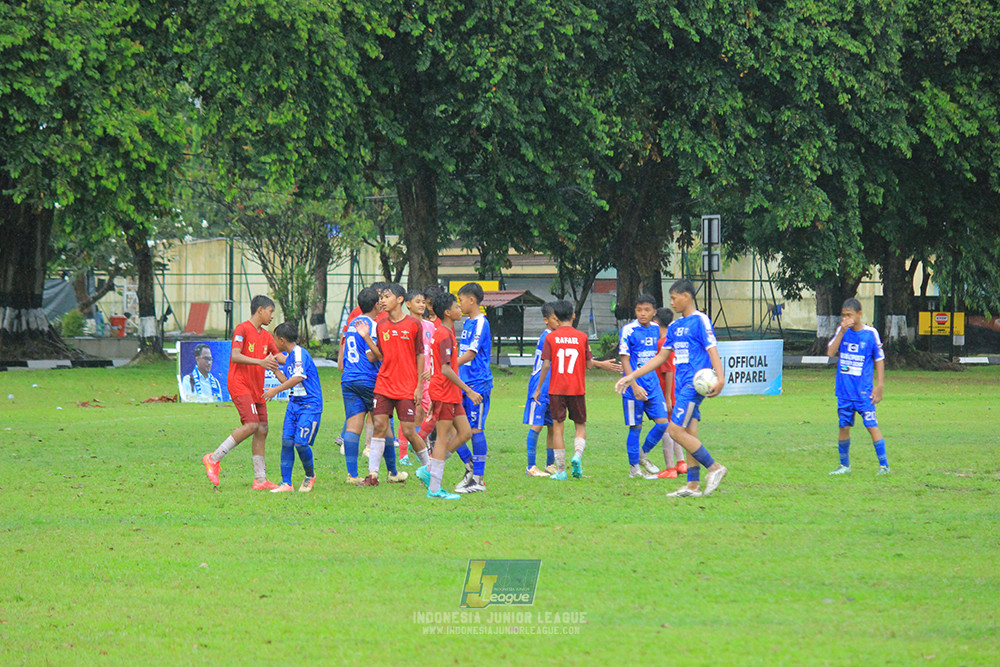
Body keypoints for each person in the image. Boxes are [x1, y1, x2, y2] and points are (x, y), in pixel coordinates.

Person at [616, 280, 728, 498]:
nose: (672, 302)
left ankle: (714, 467)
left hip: (693, 386)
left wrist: (720, 378)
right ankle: (693, 486)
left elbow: (712, 348)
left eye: (675, 297)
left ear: (686, 296)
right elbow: (660, 357)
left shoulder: (700, 320)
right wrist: (631, 376)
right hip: (681, 385)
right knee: (689, 433)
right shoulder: (675, 327)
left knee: (675, 431)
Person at [533, 300, 620, 480]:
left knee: (558, 428)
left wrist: (539, 387)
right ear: (573, 316)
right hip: (577, 388)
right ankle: (577, 456)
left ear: (556, 317)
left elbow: (546, 365)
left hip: (556, 389)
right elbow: (588, 364)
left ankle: (561, 470)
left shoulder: (551, 337)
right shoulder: (582, 337)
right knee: (580, 425)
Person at [202, 295, 280, 489]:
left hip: (256, 387)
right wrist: (261, 362)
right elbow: (235, 355)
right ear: (260, 310)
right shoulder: (242, 329)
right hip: (240, 384)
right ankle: (213, 458)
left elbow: (277, 356)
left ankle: (260, 479)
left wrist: (298, 357)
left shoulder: (267, 336)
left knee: (263, 428)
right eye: (270, 312)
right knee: (252, 424)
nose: (272, 317)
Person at [362, 283, 431, 485]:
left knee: (409, 431)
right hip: (384, 384)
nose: (382, 300)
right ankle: (372, 475)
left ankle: (430, 470)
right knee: (380, 426)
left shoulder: (413, 324)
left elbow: (420, 354)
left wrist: (418, 386)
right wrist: (366, 338)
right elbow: (381, 355)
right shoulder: (381, 325)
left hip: (406, 386)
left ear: (400, 300)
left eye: (386, 296)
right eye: (381, 297)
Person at [415, 291, 481, 499]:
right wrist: (469, 390)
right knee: (443, 438)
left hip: (450, 393)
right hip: (444, 392)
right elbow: (445, 369)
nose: (459, 308)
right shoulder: (443, 334)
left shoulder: (448, 333)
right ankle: (434, 488)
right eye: (455, 306)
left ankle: (430, 469)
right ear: (447, 312)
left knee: (465, 433)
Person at [826, 298, 889, 475]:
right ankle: (844, 466)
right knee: (843, 427)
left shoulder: (870, 333)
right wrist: (841, 332)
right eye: (844, 315)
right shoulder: (842, 331)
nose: (846, 318)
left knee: (871, 425)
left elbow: (879, 359)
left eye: (850, 315)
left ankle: (884, 466)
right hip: (844, 392)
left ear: (859, 314)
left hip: (864, 393)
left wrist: (880, 385)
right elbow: (830, 352)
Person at [618, 295, 672, 480]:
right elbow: (624, 360)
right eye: (639, 310)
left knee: (663, 423)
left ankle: (642, 454)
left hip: (653, 385)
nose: (643, 313)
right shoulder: (628, 330)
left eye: (647, 310)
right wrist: (633, 385)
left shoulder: (657, 330)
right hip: (633, 387)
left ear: (654, 312)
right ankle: (634, 468)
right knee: (636, 427)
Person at [264, 322, 321, 492]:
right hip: (294, 404)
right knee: (287, 442)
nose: (274, 342)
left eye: (275, 338)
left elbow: (297, 378)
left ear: (281, 340)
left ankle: (310, 475)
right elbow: (288, 381)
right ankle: (286, 483)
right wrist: (275, 370)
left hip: (309, 405)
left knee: (301, 443)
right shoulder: (290, 357)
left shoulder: (298, 353)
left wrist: (275, 390)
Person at [340, 287, 385, 485]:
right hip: (367, 378)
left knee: (352, 426)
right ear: (377, 305)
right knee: (383, 426)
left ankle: (352, 474)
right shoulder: (371, 325)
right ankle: (391, 471)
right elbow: (371, 355)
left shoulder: (352, 323)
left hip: (349, 379)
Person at [453, 283, 493, 494]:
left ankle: (478, 478)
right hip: (463, 382)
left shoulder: (480, 323)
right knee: (454, 426)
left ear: (472, 300)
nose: (459, 304)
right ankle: (469, 465)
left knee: (475, 429)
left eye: (461, 300)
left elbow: (471, 354)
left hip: (477, 384)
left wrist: (448, 367)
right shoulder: (468, 323)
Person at [398, 289, 435, 466]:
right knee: (408, 413)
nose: (421, 305)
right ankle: (403, 454)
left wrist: (432, 370)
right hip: (410, 377)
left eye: (423, 302)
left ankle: (418, 442)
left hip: (428, 377)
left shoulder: (430, 326)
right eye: (418, 301)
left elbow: (433, 351)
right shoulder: (406, 325)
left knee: (429, 413)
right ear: (408, 304)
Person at [523, 303, 559, 477]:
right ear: (546, 320)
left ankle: (550, 464)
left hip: (552, 385)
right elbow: (545, 365)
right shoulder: (547, 337)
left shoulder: (555, 336)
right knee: (537, 425)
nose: (558, 322)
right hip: (541, 384)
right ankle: (531, 466)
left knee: (551, 425)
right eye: (554, 318)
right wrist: (537, 389)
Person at [652, 307, 687, 479]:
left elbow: (668, 372)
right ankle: (681, 463)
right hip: (675, 391)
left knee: (667, 429)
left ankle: (670, 468)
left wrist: (666, 397)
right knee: (673, 427)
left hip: (668, 392)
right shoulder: (671, 341)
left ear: (656, 322)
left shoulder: (662, 344)